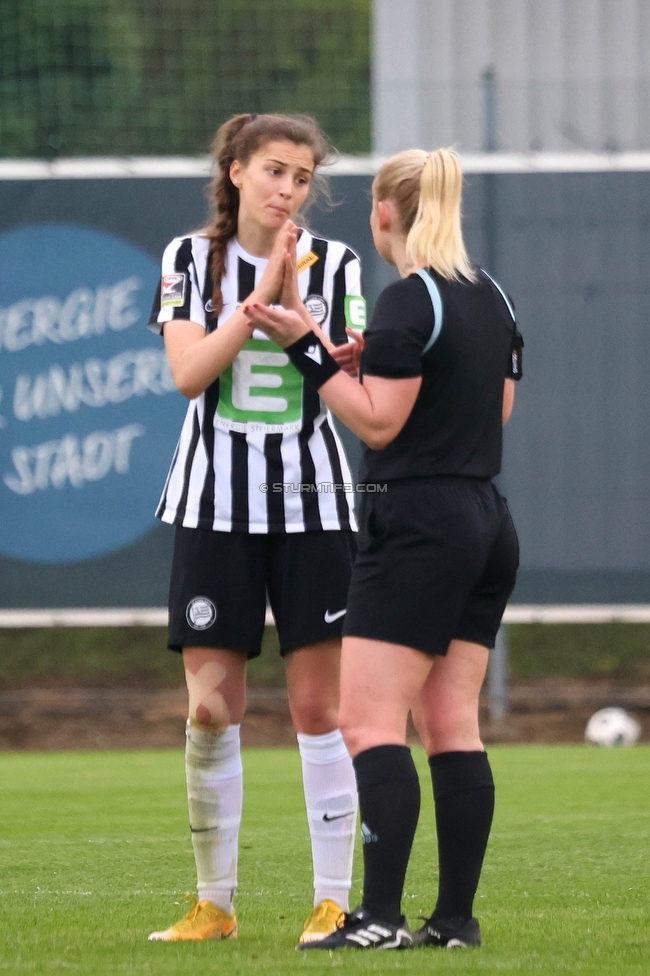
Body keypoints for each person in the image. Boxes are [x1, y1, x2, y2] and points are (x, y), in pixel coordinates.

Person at [243, 147, 523, 950]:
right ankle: (456, 922)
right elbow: (490, 411)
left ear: (384, 213)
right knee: (452, 726)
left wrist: (303, 344)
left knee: (368, 724)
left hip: (417, 524)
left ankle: (376, 919)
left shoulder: (406, 299)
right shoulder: (490, 294)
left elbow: (375, 423)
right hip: (486, 519)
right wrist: (380, 364)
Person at [146, 113, 366, 945]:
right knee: (210, 710)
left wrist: (313, 315)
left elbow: (350, 376)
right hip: (213, 507)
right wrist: (261, 295)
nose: (288, 190)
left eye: (302, 178)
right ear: (235, 171)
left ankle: (333, 901)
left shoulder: (339, 265)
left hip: (314, 506)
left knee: (320, 708)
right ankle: (215, 904)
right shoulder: (187, 260)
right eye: (274, 170)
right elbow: (191, 375)